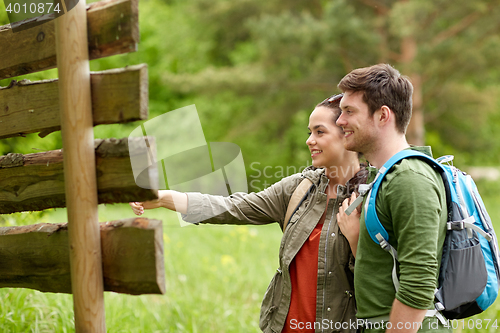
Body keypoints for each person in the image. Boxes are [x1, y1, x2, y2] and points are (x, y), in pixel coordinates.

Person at [130, 95, 368, 333]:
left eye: (319, 132)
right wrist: (163, 198)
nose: (309, 141)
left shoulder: (373, 196)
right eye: (309, 132)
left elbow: (386, 282)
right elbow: (234, 207)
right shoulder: (299, 188)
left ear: (346, 133)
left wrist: (356, 240)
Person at [335, 64, 452, 333]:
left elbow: (418, 282)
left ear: (383, 116)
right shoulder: (387, 176)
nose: (340, 121)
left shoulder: (409, 179)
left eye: (349, 111)